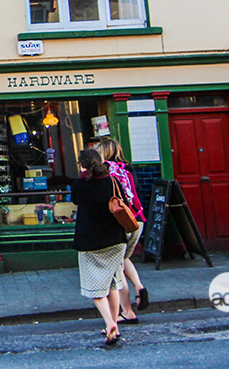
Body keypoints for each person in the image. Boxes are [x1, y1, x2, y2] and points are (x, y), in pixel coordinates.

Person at [72, 148, 128, 346]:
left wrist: (83, 176)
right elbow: (125, 202)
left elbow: (76, 200)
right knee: (112, 284)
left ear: (82, 165)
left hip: (91, 243)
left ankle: (109, 323)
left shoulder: (79, 185)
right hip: (116, 240)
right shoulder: (113, 181)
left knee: (95, 289)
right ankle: (115, 324)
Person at [98, 139, 149, 323]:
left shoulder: (105, 172)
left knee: (116, 269)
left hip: (120, 223)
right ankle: (139, 286)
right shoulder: (128, 169)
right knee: (124, 258)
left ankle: (127, 311)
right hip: (136, 220)